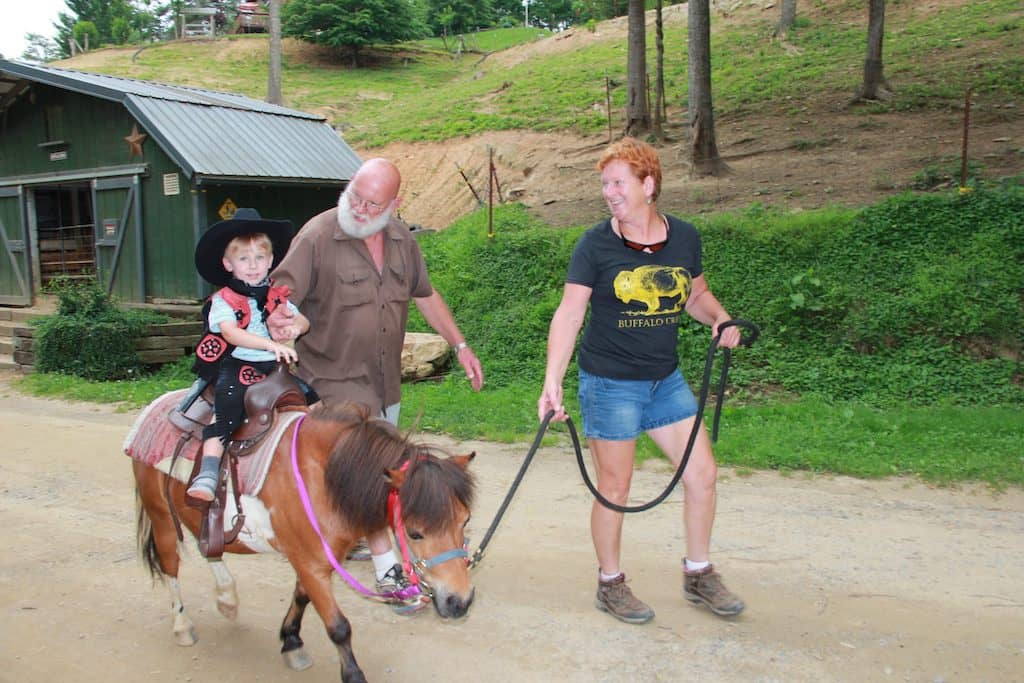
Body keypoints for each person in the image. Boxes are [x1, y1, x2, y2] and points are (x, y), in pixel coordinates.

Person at [537, 137, 745, 625]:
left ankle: (698, 573)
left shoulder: (685, 237)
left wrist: (720, 319)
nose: (608, 192)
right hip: (610, 383)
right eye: (604, 183)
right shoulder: (596, 244)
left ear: (648, 184)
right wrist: (553, 382)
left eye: (617, 182)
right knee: (615, 486)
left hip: (664, 380)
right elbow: (569, 315)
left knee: (702, 475)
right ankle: (610, 584)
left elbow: (695, 295)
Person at [269, 157, 484, 611]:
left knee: (390, 481)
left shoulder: (403, 240)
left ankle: (408, 548)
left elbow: (425, 295)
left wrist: (461, 345)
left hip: (386, 384)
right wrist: (281, 318)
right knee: (374, 480)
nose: (361, 208)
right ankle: (393, 578)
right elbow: (280, 295)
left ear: (395, 204)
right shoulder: (318, 236)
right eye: (355, 196)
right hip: (332, 385)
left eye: (373, 203)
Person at [187, 209, 310, 502]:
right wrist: (270, 345)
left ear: (270, 261)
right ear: (228, 264)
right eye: (244, 259)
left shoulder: (276, 297)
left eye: (259, 258)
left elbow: (304, 320)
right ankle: (209, 470)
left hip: (272, 367)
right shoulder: (223, 301)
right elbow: (231, 333)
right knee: (227, 407)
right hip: (237, 363)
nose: (253, 266)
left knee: (311, 398)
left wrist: (293, 327)